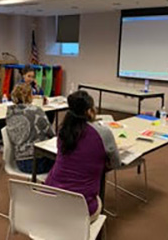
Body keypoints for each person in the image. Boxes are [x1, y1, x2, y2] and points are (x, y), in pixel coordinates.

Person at [45, 90, 121, 222]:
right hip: (81, 207)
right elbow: (116, 163)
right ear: (90, 111)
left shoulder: (63, 130)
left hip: (51, 198)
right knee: (98, 201)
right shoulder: (103, 132)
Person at [6, 83, 55, 174]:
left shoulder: (10, 112)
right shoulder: (36, 111)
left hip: (20, 161)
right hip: (37, 162)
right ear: (30, 96)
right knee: (66, 161)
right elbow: (50, 133)